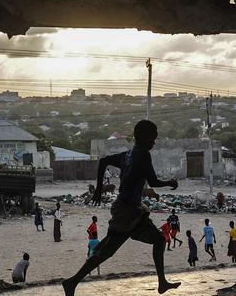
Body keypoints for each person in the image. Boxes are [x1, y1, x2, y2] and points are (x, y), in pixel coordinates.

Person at [62, 120, 181, 296]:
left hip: (132, 211)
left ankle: (162, 282)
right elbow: (154, 181)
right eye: (152, 139)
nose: (153, 143)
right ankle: (72, 282)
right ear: (142, 137)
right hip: (126, 213)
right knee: (105, 251)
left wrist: (99, 188)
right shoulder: (142, 155)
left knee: (158, 239)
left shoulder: (127, 155)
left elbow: (103, 162)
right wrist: (170, 182)